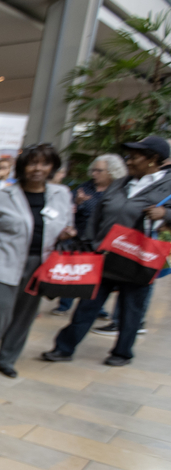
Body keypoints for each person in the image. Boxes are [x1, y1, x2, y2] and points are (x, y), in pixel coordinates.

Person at [43, 135, 171, 366]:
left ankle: (122, 353)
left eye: (135, 157)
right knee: (87, 305)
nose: (128, 161)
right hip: (106, 255)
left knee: (131, 310)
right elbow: (98, 214)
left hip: (139, 259)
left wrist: (166, 214)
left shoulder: (167, 184)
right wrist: (90, 243)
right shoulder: (120, 183)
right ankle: (63, 348)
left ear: (153, 159)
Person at [0, 143, 74, 378]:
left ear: (52, 167)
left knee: (25, 314)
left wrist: (67, 233)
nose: (38, 168)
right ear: (23, 166)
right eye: (33, 163)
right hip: (2, 261)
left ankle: (7, 359)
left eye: (44, 163)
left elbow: (66, 225)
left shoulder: (61, 194)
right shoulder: (3, 195)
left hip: (40, 264)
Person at [52, 153, 125, 316]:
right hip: (79, 236)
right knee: (73, 270)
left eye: (99, 171)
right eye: (93, 170)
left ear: (112, 172)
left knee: (96, 274)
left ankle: (96, 307)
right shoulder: (85, 187)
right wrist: (76, 203)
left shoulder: (119, 191)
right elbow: (67, 208)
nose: (94, 174)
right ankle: (64, 304)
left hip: (102, 238)